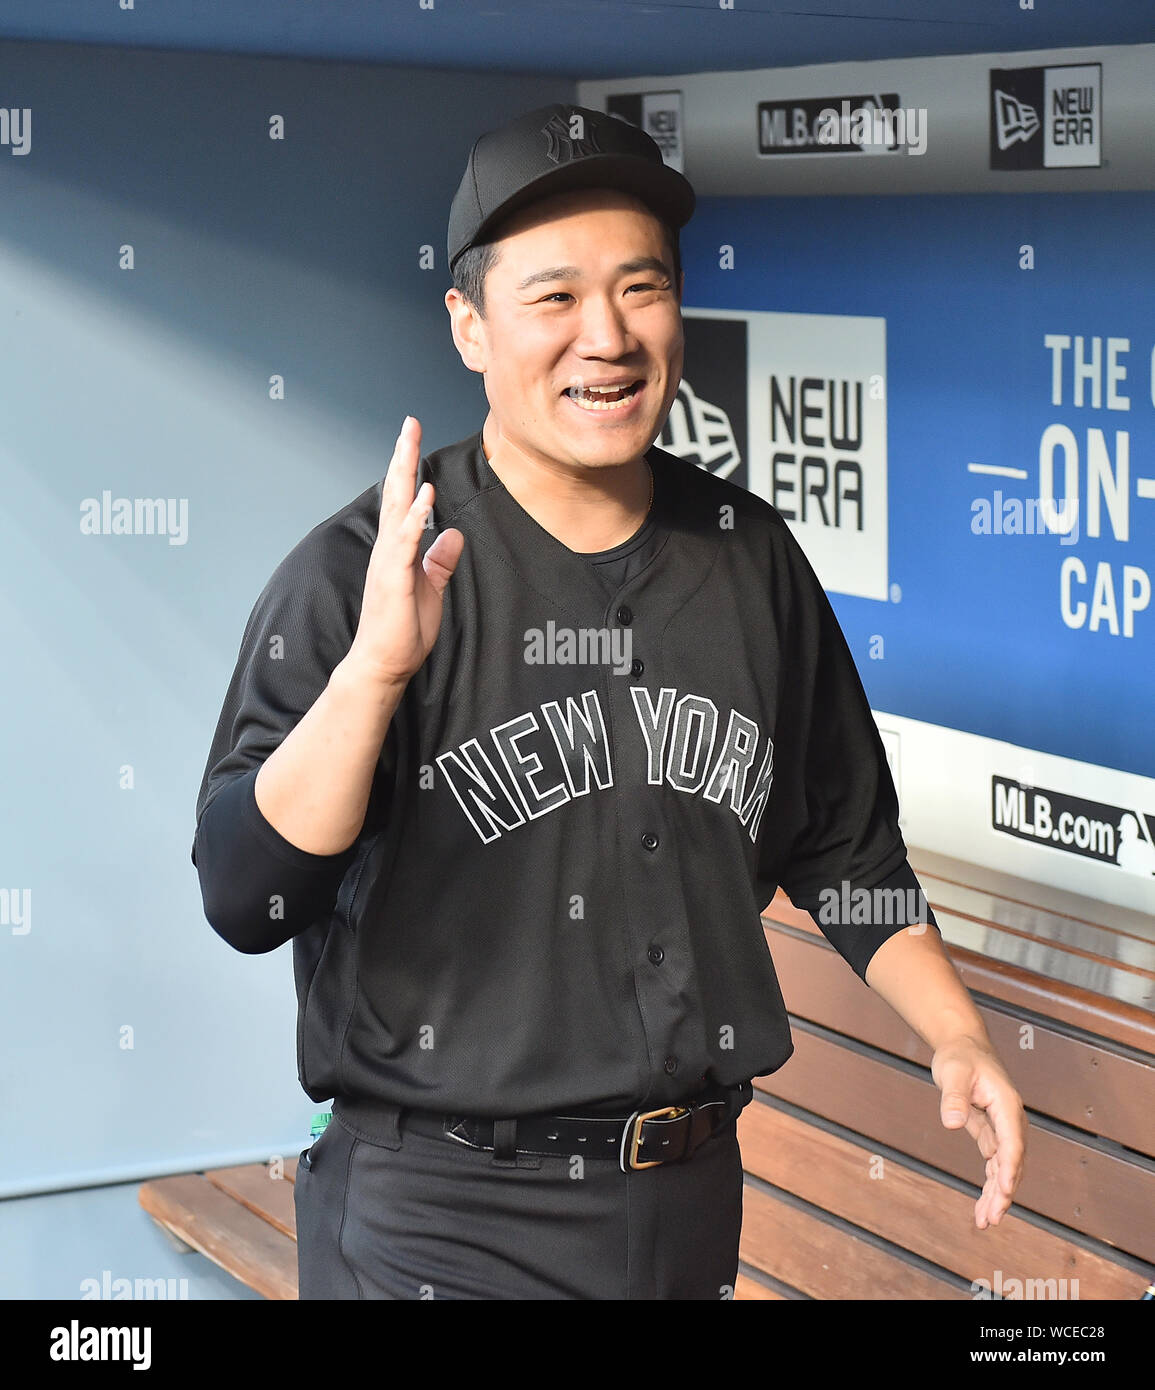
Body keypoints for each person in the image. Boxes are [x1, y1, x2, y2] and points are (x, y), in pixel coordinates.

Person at [192, 102, 1027, 1300]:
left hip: (687, 1203)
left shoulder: (751, 556)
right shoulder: (361, 569)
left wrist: (955, 1033)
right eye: (555, 298)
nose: (609, 336)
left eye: (642, 289)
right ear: (469, 327)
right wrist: (375, 672)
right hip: (446, 1217)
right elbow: (244, 891)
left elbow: (842, 840)